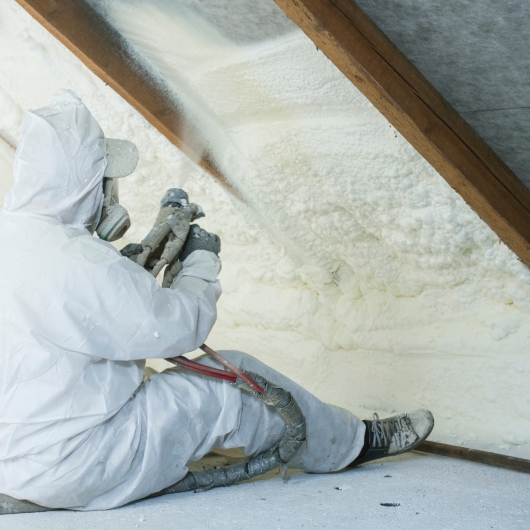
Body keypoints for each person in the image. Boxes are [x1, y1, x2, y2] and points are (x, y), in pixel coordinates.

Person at [0, 91, 434, 511]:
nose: (109, 193)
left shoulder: (16, 239)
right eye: (104, 181)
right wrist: (201, 264)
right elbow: (175, 331)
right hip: (80, 465)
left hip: (11, 465)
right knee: (238, 379)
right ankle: (353, 444)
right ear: (85, 183)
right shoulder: (80, 261)